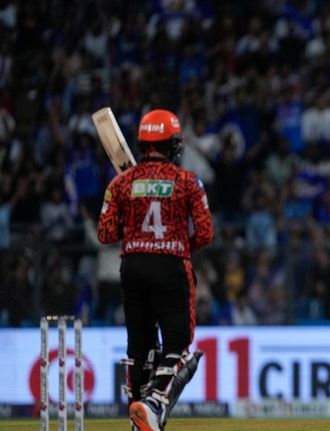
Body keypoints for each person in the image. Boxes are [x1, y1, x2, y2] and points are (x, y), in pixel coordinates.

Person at [98, 109, 214, 431]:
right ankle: (151, 405)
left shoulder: (120, 183)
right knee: (177, 348)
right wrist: (174, 240)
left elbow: (105, 233)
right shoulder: (188, 182)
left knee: (140, 348)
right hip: (171, 265)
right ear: (173, 144)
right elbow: (205, 233)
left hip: (132, 266)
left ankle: (140, 419)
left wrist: (136, 229)